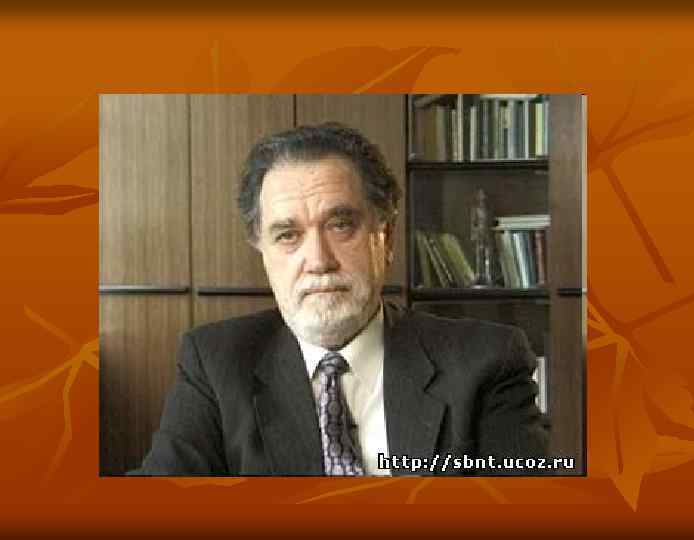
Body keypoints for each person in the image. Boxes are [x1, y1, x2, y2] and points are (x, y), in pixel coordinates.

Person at [129, 122, 548, 476]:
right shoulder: (215, 362)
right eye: (287, 235)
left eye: (340, 225)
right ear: (264, 253)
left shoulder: (485, 361)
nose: (318, 261)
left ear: (385, 237)